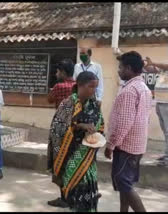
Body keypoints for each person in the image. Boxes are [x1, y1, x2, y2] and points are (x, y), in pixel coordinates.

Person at [47, 71, 104, 212]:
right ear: (79, 85)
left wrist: (96, 132)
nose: (93, 90)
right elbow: (57, 128)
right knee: (75, 192)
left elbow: (101, 124)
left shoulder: (94, 105)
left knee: (88, 191)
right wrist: (79, 125)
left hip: (88, 156)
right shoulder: (67, 104)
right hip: (71, 156)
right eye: (91, 86)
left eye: (95, 87)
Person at [105, 51, 152, 212]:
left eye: (121, 67)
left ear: (129, 69)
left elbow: (124, 123)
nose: (118, 71)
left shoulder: (129, 91)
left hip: (126, 146)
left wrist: (111, 145)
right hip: (138, 145)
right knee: (125, 183)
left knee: (123, 182)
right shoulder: (144, 88)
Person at [144, 57, 168, 165]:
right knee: (165, 130)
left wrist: (153, 62)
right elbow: (153, 70)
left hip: (167, 102)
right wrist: (146, 65)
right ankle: (167, 154)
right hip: (160, 101)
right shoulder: (163, 69)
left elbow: (164, 65)